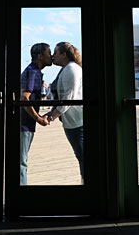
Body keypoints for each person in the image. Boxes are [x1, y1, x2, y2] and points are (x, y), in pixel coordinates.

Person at [45, 42, 84, 183]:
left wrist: (51, 117)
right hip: (71, 121)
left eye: (55, 53)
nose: (53, 56)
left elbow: (68, 98)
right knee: (80, 155)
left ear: (63, 54)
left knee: (82, 156)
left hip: (77, 122)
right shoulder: (66, 69)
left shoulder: (71, 69)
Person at [19, 43, 52, 185]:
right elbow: (25, 97)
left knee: (22, 161)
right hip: (24, 124)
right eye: (48, 53)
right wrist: (38, 118)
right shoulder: (33, 72)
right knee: (21, 162)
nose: (50, 56)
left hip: (26, 123)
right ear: (40, 56)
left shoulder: (35, 71)